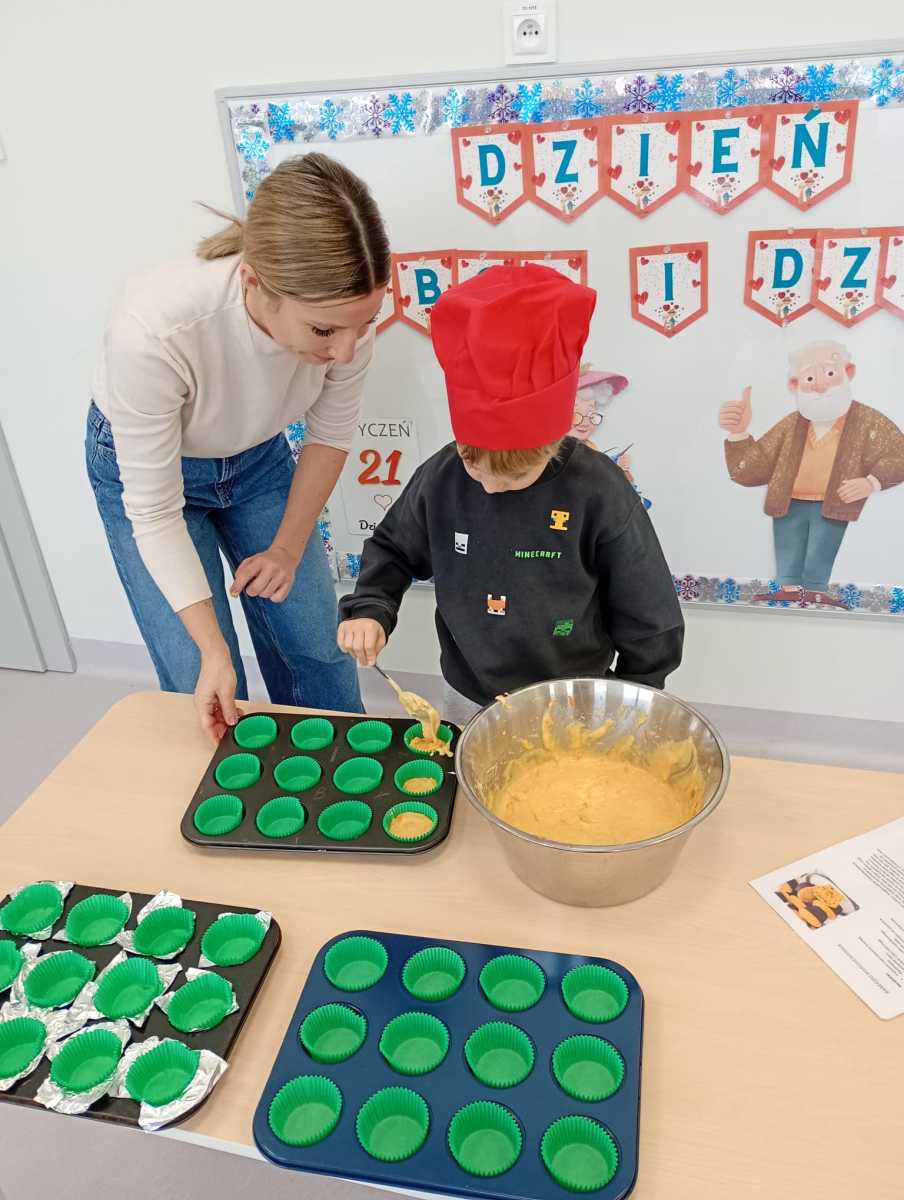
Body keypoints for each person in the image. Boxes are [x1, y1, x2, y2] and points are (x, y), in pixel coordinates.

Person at [87, 154, 390, 742]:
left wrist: (287, 548)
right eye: (324, 331)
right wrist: (212, 650)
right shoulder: (154, 331)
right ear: (255, 284)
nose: (347, 351)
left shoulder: (346, 322)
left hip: (258, 460)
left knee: (316, 645)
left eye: (365, 322)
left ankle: (334, 779)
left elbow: (329, 436)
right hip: (156, 475)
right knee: (197, 671)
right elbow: (154, 512)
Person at [336, 265, 683, 726]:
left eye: (514, 477)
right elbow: (393, 548)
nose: (488, 487)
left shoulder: (598, 490)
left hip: (573, 699)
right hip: (467, 691)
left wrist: (632, 695)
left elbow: (647, 606)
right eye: (472, 464)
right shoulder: (442, 477)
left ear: (553, 443)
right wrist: (369, 609)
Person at [719, 341, 904, 609]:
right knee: (788, 547)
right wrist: (739, 433)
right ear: (795, 385)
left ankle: (816, 592)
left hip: (834, 503)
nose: (819, 386)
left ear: (848, 372)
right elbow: (752, 470)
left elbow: (899, 454)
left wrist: (871, 482)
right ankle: (789, 592)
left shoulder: (868, 420)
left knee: (822, 549)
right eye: (809, 378)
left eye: (829, 373)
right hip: (788, 501)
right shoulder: (791, 424)